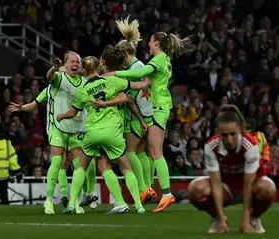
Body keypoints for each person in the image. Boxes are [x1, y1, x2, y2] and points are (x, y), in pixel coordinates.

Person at [103, 32, 191, 212]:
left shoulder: (158, 59)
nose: (148, 45)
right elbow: (148, 79)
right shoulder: (165, 59)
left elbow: (142, 72)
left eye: (150, 42)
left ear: (157, 43)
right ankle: (158, 192)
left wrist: (115, 73)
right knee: (151, 151)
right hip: (160, 108)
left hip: (158, 109)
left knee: (156, 152)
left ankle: (166, 194)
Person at [57, 55, 150, 214]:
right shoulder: (112, 81)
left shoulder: (82, 89)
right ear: (98, 67)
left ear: (84, 70)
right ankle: (139, 206)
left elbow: (73, 112)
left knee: (82, 166)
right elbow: (138, 86)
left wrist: (61, 116)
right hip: (113, 131)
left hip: (92, 132)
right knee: (126, 168)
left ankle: (72, 203)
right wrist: (150, 78)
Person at [10, 54, 97, 214]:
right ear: (65, 64)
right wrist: (54, 68)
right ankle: (49, 200)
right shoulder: (58, 80)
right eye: (72, 62)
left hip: (76, 129)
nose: (75, 64)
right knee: (57, 163)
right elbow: (48, 78)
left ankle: (75, 201)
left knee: (79, 166)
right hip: (58, 127)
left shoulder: (84, 83)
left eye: (78, 62)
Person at [92, 16, 157, 204]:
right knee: (144, 152)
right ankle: (149, 187)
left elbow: (131, 95)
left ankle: (144, 189)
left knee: (131, 152)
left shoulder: (134, 70)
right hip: (148, 113)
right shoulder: (140, 66)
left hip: (139, 115)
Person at [187, 104, 276, 234]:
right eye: (224, 135)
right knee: (195, 189)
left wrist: (244, 222)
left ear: (240, 130)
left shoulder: (251, 145)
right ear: (218, 132)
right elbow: (216, 184)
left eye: (233, 134)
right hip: (225, 188)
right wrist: (221, 218)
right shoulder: (211, 146)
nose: (229, 140)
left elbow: (248, 185)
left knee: (268, 188)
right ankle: (217, 219)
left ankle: (253, 218)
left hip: (249, 187)